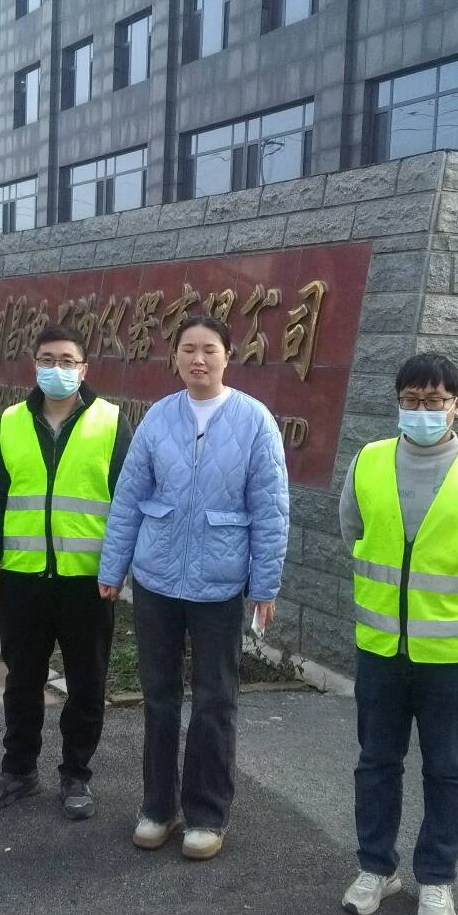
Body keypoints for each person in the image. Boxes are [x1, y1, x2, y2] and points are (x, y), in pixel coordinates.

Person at [339, 352, 458, 915]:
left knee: (447, 769)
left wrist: (454, 598)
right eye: (411, 400)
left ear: (456, 406)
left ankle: (437, 879)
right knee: (376, 763)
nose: (422, 410)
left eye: (434, 401)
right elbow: (352, 532)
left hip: (451, 655)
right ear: (398, 403)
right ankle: (376, 867)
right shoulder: (368, 461)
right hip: (381, 648)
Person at [97, 315, 290, 860]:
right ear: (175, 357)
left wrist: (264, 585)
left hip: (219, 585)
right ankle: (158, 807)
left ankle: (207, 813)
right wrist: (112, 569)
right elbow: (129, 497)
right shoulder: (159, 417)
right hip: (156, 579)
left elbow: (271, 509)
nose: (197, 359)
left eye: (209, 349)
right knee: (158, 697)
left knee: (214, 701)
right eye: (187, 349)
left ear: (229, 356)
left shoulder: (254, 420)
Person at [0, 325, 132, 821]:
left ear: (84, 369)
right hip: (21, 577)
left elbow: (127, 502)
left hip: (88, 581)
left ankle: (76, 775)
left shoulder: (111, 422)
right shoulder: (11, 421)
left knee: (86, 682)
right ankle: (18, 770)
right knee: (22, 680)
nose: (56, 369)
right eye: (48, 359)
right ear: (34, 364)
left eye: (67, 360)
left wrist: (118, 567)